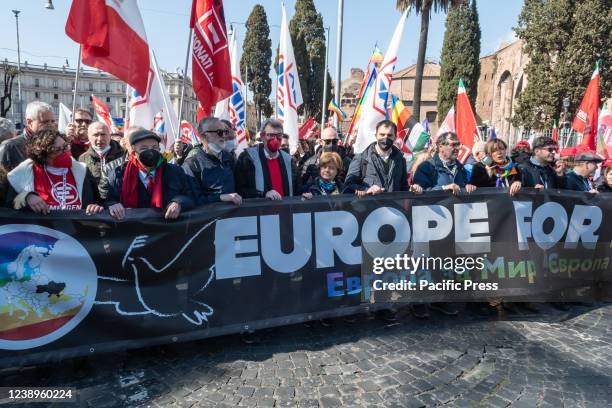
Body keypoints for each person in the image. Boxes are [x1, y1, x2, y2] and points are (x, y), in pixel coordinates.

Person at [100, 129, 194, 220]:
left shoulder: (175, 172)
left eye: (154, 148)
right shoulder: (118, 174)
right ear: (133, 152)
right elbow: (107, 200)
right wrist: (112, 204)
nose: (150, 152)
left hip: (166, 228)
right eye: (144, 148)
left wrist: (178, 203)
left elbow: (189, 196)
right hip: (132, 230)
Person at [5, 129, 102, 214]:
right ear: (42, 155)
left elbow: (98, 202)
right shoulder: (21, 174)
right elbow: (8, 206)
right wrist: (26, 197)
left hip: (77, 232)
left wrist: (96, 207)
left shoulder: (82, 171)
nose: (65, 152)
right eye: (57, 150)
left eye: (65, 146)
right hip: (41, 232)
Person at [344, 120, 421, 195]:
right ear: (376, 136)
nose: (385, 138)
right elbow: (348, 186)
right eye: (382, 134)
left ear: (395, 137)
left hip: (393, 207)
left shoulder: (401, 160)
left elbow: (403, 187)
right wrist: (367, 190)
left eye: (389, 135)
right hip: (370, 206)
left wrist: (412, 190)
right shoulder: (361, 158)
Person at [235, 119, 301, 200]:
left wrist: (306, 193)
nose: (275, 139)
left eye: (279, 135)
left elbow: (297, 188)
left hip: (285, 210)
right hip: (260, 211)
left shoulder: (288, 160)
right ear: (262, 136)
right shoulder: (247, 158)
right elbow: (240, 190)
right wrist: (263, 194)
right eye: (271, 135)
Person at [183, 117, 242, 205]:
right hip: (208, 218)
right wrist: (220, 198)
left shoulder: (229, 158)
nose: (224, 136)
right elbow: (192, 200)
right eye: (219, 132)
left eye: (225, 132)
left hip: (232, 217)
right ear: (205, 135)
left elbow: (241, 189)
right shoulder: (192, 163)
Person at [0, 101, 56, 171]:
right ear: (29, 122)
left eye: (53, 121)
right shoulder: (9, 147)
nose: (50, 125)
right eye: (45, 122)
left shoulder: (56, 145)